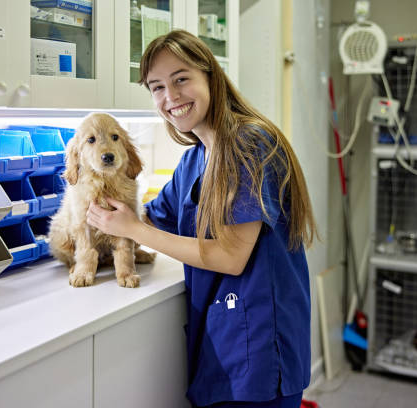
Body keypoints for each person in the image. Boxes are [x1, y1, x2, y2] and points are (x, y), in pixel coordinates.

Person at [86, 29, 318, 408]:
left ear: (211, 76)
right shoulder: (195, 158)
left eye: (181, 80)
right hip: (224, 342)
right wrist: (94, 189)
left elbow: (231, 256)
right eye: (157, 86)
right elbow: (155, 218)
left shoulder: (249, 145)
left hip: (259, 348)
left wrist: (131, 228)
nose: (170, 98)